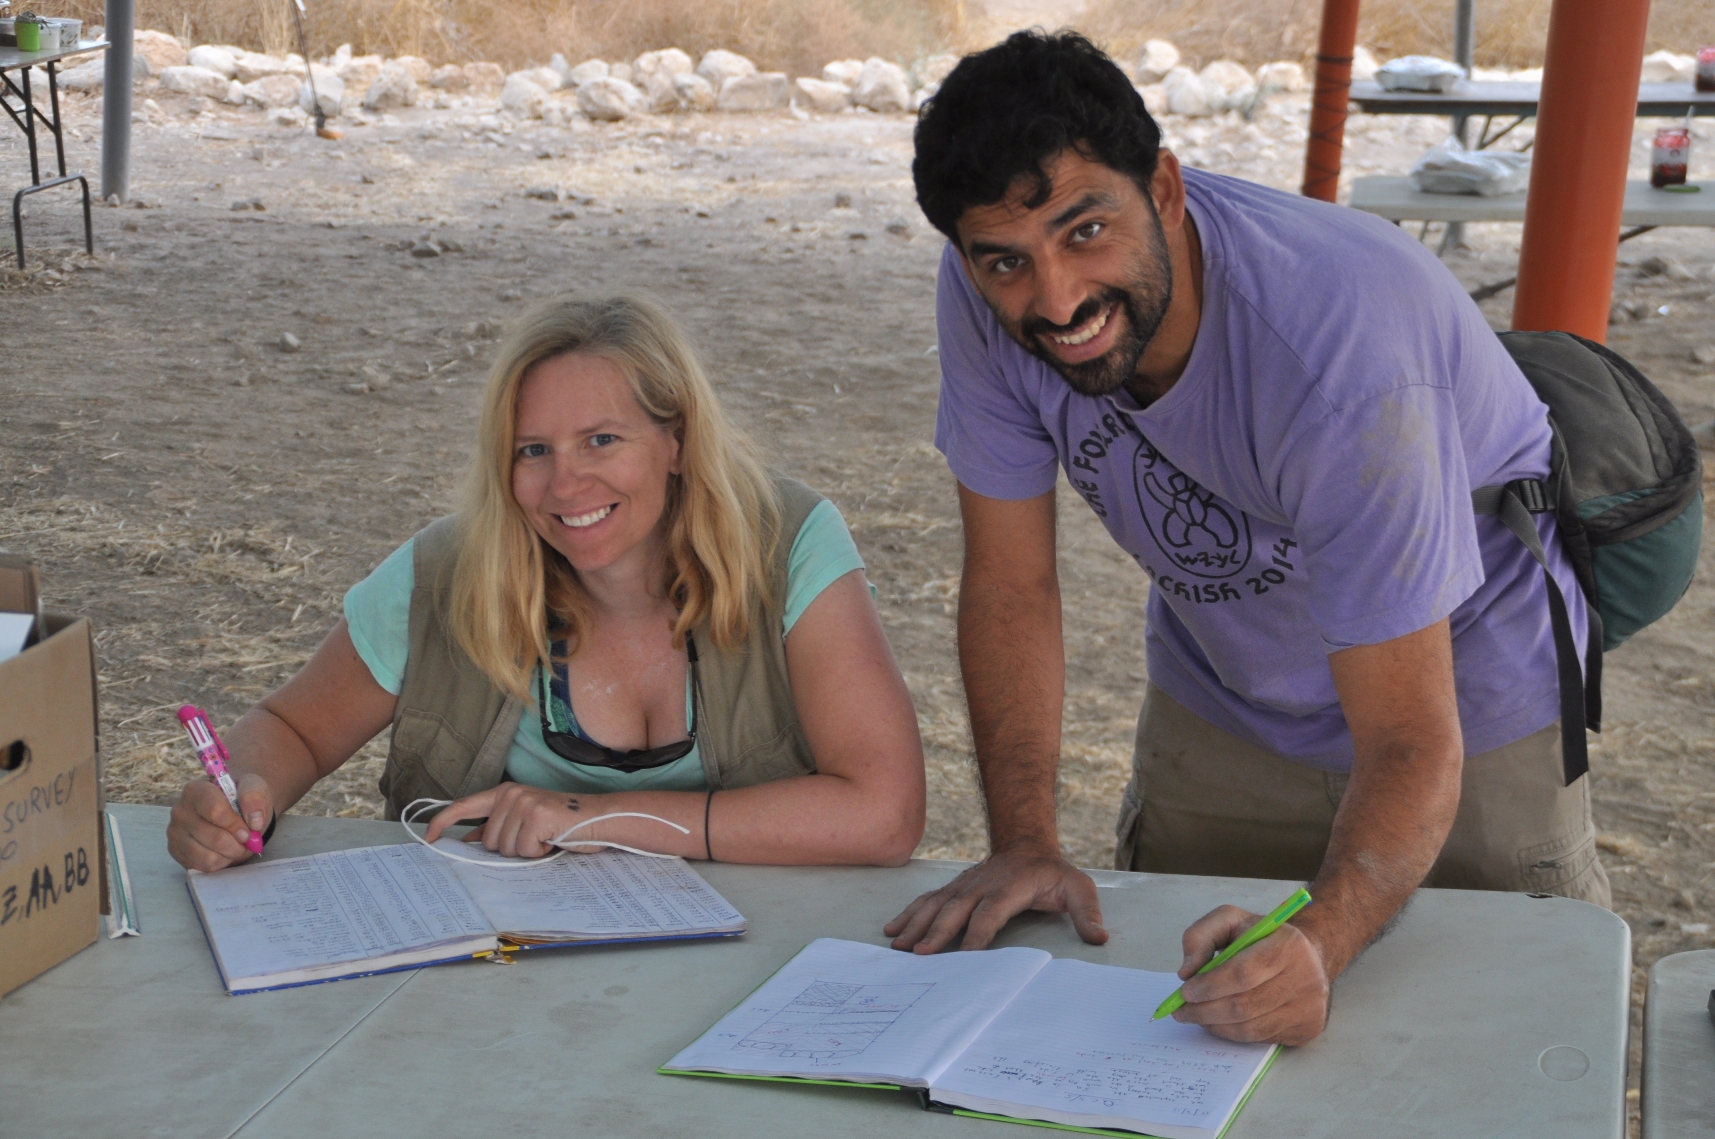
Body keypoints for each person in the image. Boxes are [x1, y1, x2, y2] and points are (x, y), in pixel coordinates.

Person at [885, 32, 1609, 1046]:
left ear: (1166, 191)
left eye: (1085, 230)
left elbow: (1407, 731)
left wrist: (1324, 933)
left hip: (1461, 696)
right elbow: (1009, 585)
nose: (1055, 300)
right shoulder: (979, 291)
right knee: (1178, 1027)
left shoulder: (1343, 347)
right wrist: (1024, 841)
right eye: (1006, 259)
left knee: (1482, 1045)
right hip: (1225, 692)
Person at [168, 293, 925, 871]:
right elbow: (293, 728)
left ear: (677, 441)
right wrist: (240, 791)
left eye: (602, 439)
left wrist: (584, 818)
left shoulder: (787, 543)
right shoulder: (444, 573)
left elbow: (883, 814)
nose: (566, 483)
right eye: (533, 449)